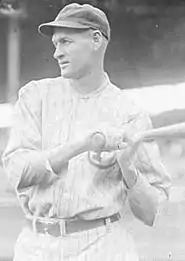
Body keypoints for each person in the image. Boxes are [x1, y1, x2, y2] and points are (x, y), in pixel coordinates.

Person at [2, 3, 171, 261]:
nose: (56, 53)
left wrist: (128, 168)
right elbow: (17, 172)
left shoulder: (129, 113)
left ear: (95, 40)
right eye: (55, 44)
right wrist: (82, 144)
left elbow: (151, 212)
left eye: (66, 42)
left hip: (103, 247)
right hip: (36, 246)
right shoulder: (35, 96)